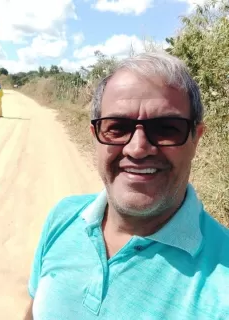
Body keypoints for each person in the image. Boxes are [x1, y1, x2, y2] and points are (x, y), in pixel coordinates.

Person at [26, 52, 229, 319]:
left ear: (195, 139)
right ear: (96, 137)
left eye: (167, 128)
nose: (138, 149)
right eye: (118, 127)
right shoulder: (63, 217)